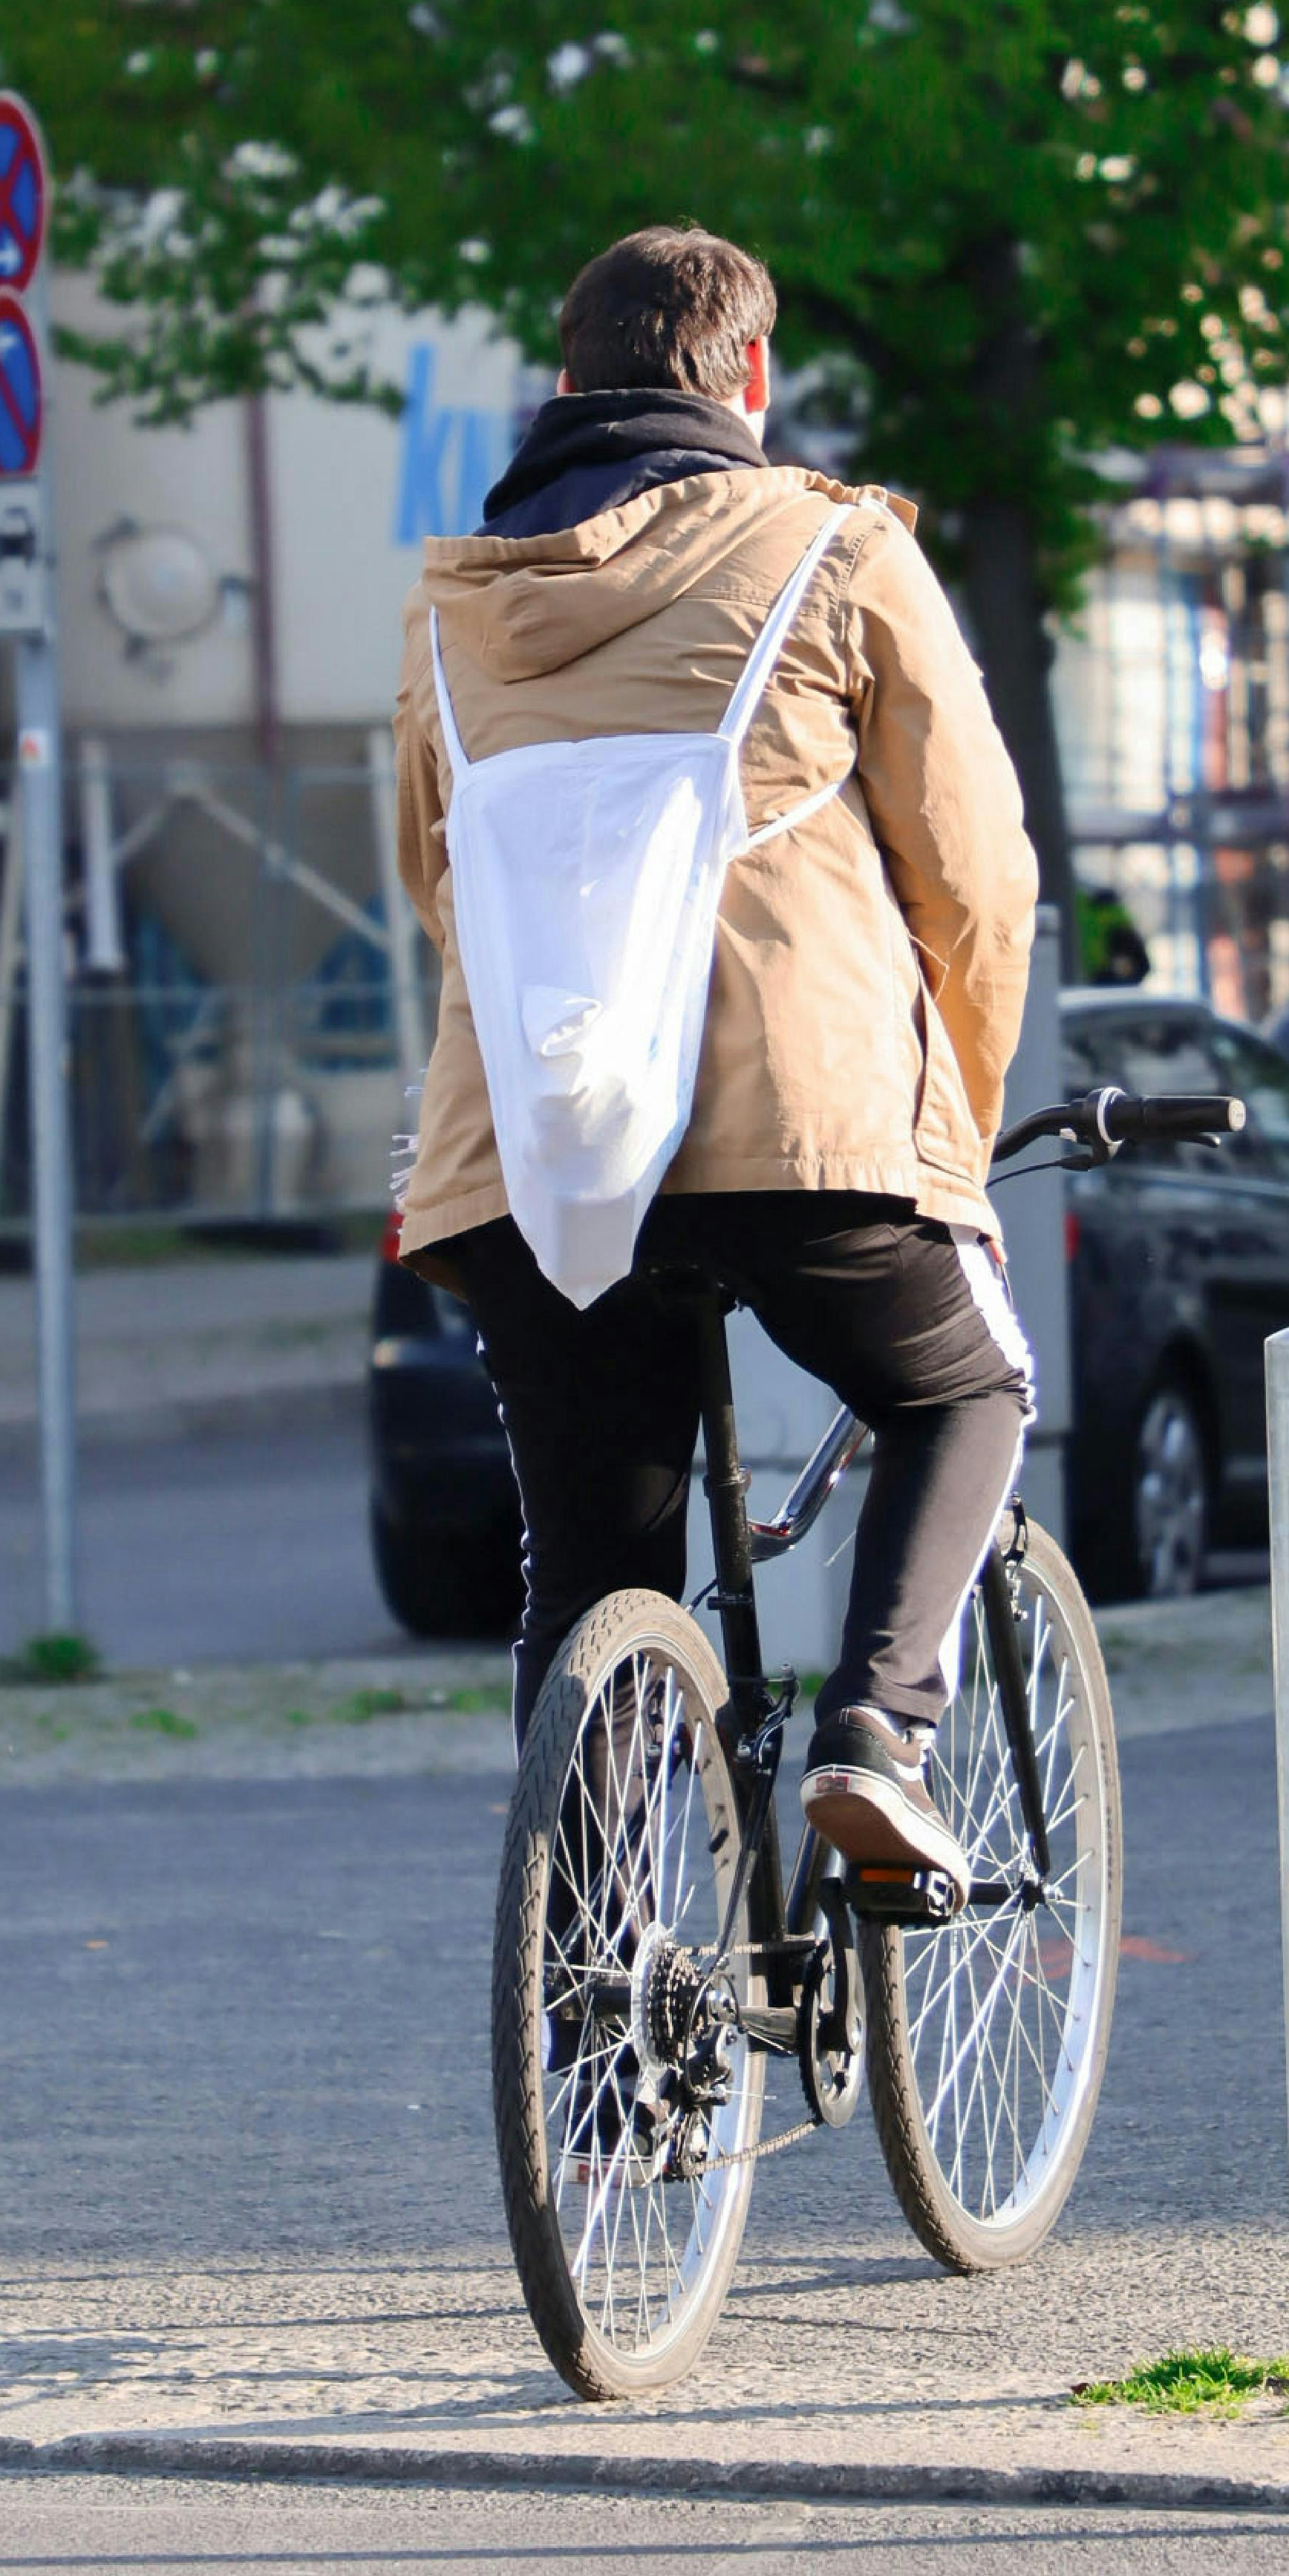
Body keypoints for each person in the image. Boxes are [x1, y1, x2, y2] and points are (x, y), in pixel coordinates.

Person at [391, 225, 1038, 1902]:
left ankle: (593, 2050)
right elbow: (972, 873)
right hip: (802, 1131)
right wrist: (945, 1125)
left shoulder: (453, 607)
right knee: (960, 1390)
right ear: (749, 379)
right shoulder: (840, 549)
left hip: (527, 1157)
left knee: (591, 1576)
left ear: (560, 382)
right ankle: (878, 1738)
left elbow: (433, 875)